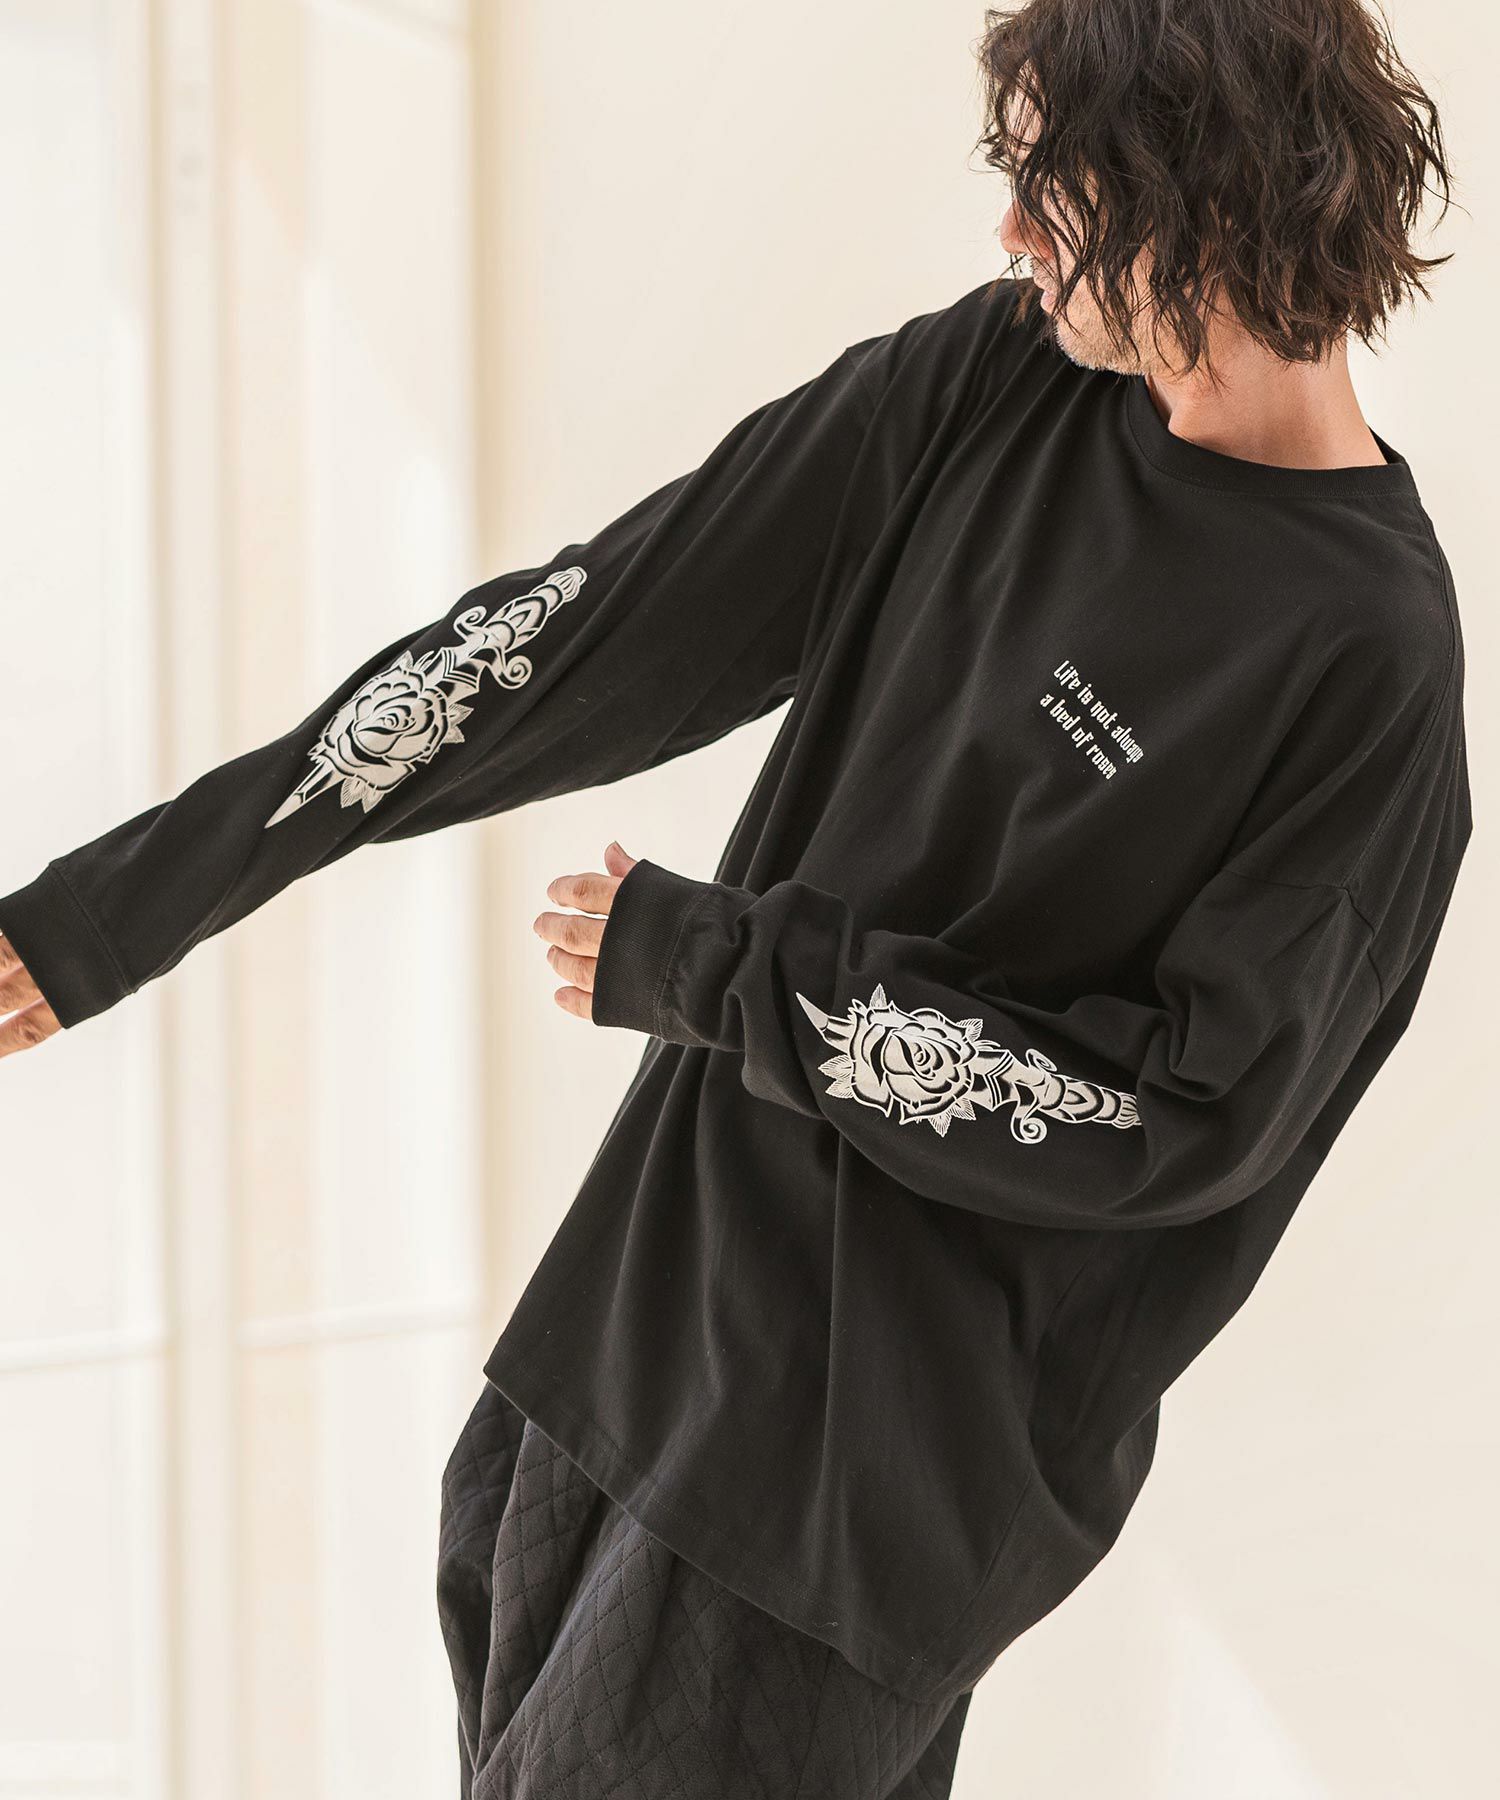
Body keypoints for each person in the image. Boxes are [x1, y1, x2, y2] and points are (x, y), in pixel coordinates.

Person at [0, 1, 1472, 1794]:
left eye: (1055, 184)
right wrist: (115, 913)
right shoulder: (991, 384)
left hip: (850, 1491)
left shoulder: (1366, 660)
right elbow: (573, 635)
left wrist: (723, 969)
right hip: (622, 1342)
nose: (1014, 230)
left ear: (1198, 190)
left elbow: (1170, 1118)